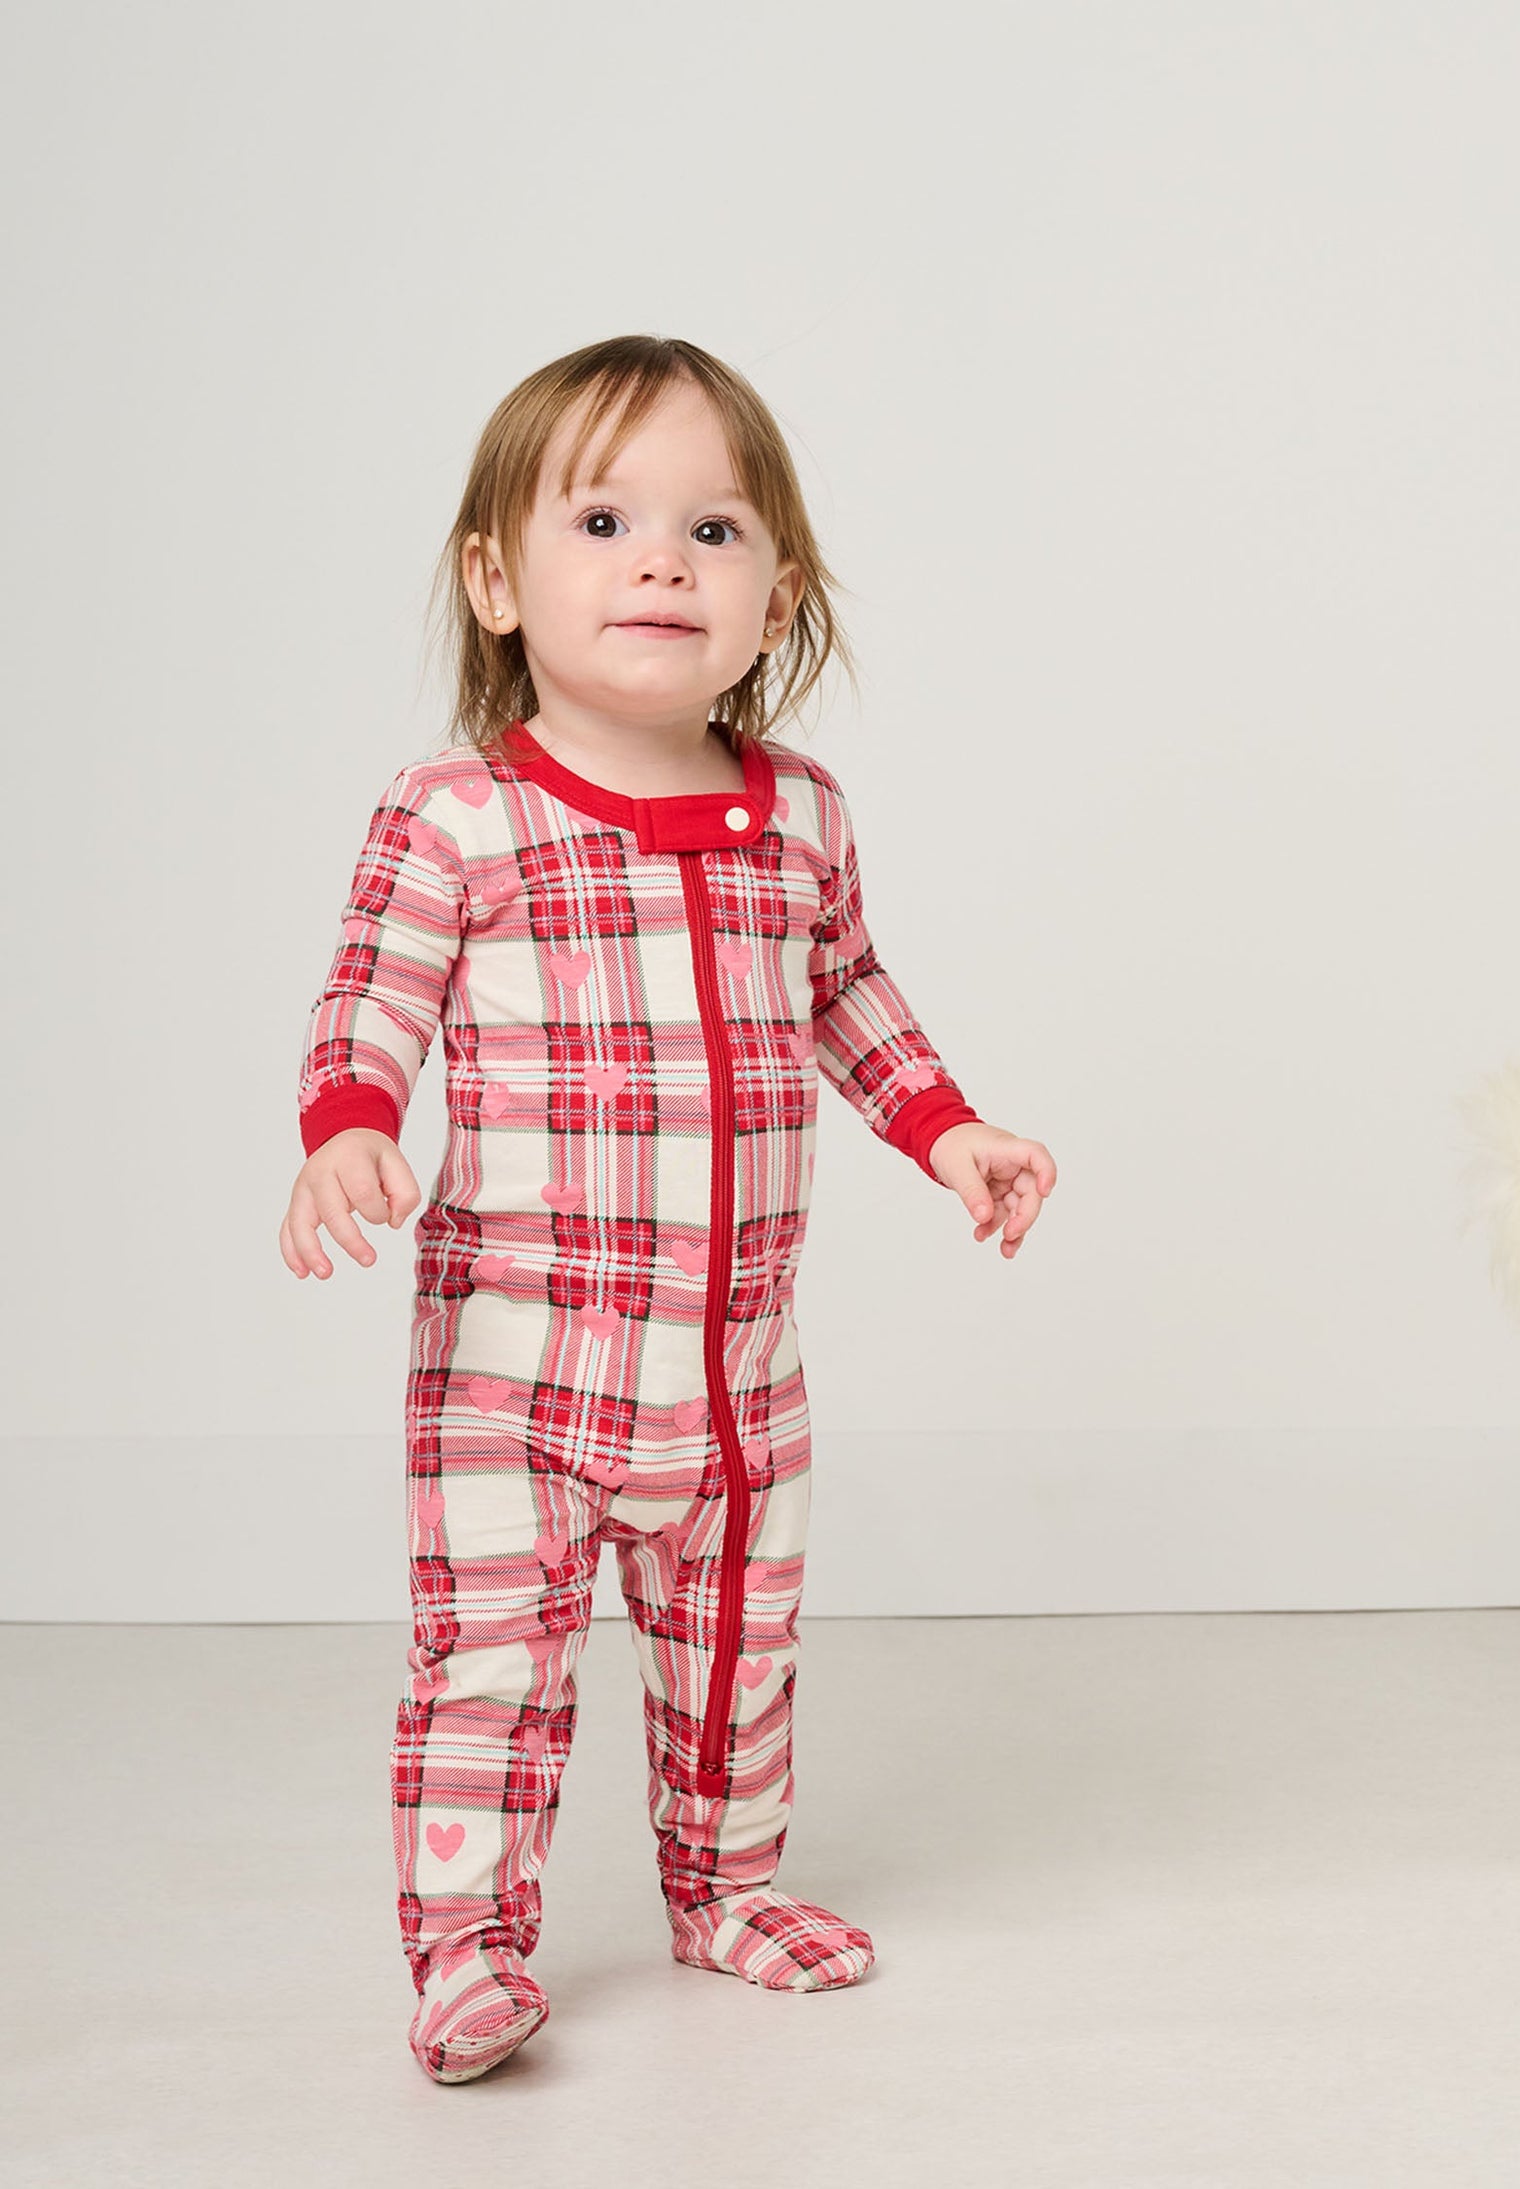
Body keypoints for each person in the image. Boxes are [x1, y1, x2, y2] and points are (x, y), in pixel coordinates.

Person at [278, 334, 1058, 2084]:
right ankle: (466, 1949)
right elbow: (370, 996)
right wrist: (346, 1129)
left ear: (774, 596)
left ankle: (725, 1890)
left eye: (713, 530)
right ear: (497, 581)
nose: (661, 563)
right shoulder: (458, 816)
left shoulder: (799, 819)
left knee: (736, 1650)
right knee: (493, 1661)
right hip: (517, 1369)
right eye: (604, 521)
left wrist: (948, 1132)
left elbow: (849, 997)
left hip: (734, 1372)